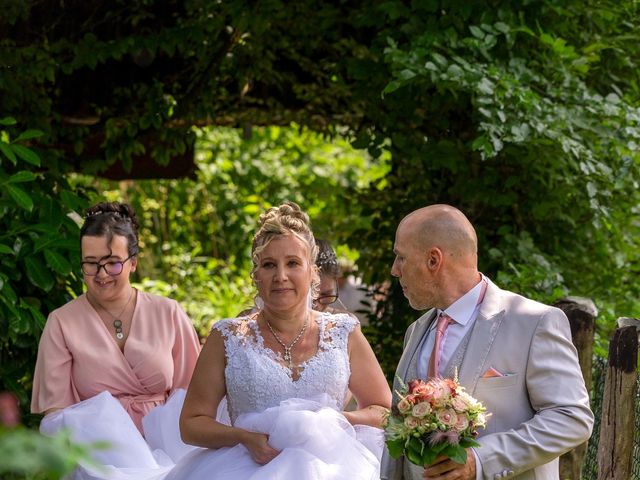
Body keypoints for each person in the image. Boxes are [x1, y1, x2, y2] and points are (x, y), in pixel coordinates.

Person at [167, 201, 392, 479]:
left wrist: (338, 421)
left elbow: (383, 410)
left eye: (293, 263)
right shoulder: (227, 337)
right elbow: (191, 424)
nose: (281, 276)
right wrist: (243, 437)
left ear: (312, 273)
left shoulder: (343, 332)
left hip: (335, 468)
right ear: (256, 276)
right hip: (242, 468)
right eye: (269, 265)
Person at [380, 204, 593, 480]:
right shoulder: (416, 330)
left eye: (400, 258)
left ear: (434, 260)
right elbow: (397, 430)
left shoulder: (533, 322)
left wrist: (482, 459)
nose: (394, 270)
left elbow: (572, 418)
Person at [31, 201, 201, 480]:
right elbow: (57, 415)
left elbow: (193, 395)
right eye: (91, 263)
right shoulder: (61, 322)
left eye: (112, 263)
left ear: (133, 262)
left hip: (170, 448)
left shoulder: (168, 312)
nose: (101, 274)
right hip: (98, 458)